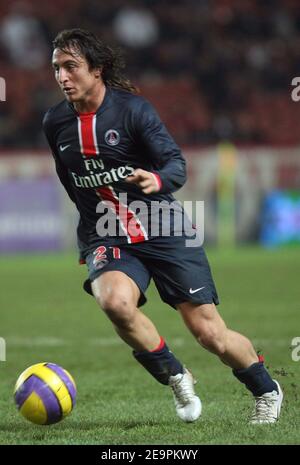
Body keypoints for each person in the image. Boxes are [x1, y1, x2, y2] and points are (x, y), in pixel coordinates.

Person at [43, 28, 283, 424]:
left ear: (97, 70)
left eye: (71, 67)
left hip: (164, 227)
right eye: (56, 69)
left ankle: (265, 388)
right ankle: (175, 374)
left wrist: (156, 180)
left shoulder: (134, 111)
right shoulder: (55, 122)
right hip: (107, 231)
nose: (62, 77)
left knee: (210, 334)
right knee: (114, 302)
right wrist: (88, 240)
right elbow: (72, 183)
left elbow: (176, 164)